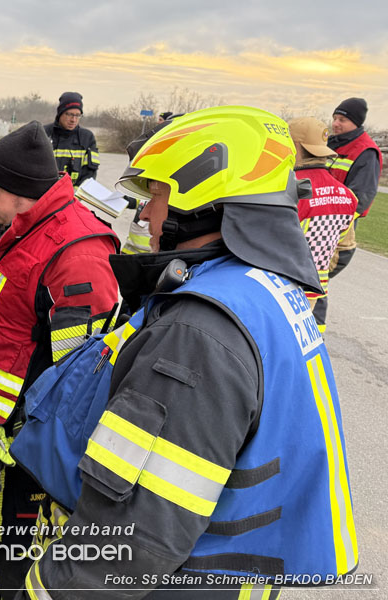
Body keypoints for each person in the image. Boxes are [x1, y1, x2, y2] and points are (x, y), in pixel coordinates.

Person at [20, 106, 357, 599]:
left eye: (156, 195)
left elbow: (135, 534)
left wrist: (49, 591)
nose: (146, 213)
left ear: (203, 203)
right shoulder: (260, 289)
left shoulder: (197, 334)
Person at [0, 121, 120, 599]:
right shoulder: (18, 226)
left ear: (19, 193)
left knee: (23, 527)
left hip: (27, 433)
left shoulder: (74, 253)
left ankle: (7, 593)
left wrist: (26, 437)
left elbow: (76, 380)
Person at [314, 97, 384, 330]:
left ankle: (314, 339)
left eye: (342, 119)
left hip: (336, 231)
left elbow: (361, 199)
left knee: (313, 282)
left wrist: (333, 220)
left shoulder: (365, 152)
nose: (336, 123)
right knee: (308, 281)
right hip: (315, 223)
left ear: (356, 122)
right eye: (335, 118)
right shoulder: (330, 144)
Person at [289, 117, 358, 319]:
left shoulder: (287, 189)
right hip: (313, 297)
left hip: (278, 293)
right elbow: (345, 250)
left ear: (294, 146)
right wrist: (318, 275)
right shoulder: (347, 196)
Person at [44, 92, 99, 187]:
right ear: (60, 113)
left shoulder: (87, 138)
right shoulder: (43, 133)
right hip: (45, 195)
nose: (73, 120)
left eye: (77, 115)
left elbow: (89, 174)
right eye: (69, 114)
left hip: (73, 197)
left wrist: (73, 194)